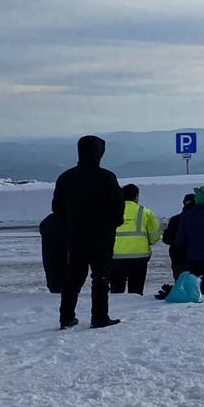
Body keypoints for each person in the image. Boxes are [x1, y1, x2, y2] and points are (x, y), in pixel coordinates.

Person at [52, 135, 125, 329]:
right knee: (101, 278)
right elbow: (118, 208)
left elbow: (57, 208)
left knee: (74, 279)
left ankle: (66, 318)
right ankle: (100, 317)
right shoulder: (107, 177)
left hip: (75, 237)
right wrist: (111, 224)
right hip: (102, 238)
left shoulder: (66, 177)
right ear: (99, 153)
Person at [111, 184, 162, 295]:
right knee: (136, 292)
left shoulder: (111, 211)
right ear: (136, 196)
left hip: (115, 257)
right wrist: (147, 242)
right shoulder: (145, 212)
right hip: (139, 258)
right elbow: (154, 235)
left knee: (116, 291)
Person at [155, 192, 195, 298]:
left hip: (178, 258)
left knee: (181, 283)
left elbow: (166, 239)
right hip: (197, 257)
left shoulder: (175, 219)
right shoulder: (200, 218)